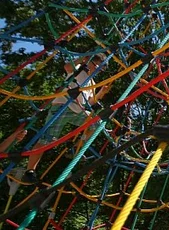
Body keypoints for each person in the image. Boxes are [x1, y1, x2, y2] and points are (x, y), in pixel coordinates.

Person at [23, 54, 111, 183]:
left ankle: (77, 147)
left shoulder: (93, 83)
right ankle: (30, 170)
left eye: (101, 68)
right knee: (46, 138)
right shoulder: (79, 69)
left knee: (96, 124)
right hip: (62, 106)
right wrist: (84, 58)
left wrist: (101, 93)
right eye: (96, 65)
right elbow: (67, 66)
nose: (97, 69)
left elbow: (89, 102)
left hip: (78, 111)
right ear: (89, 61)